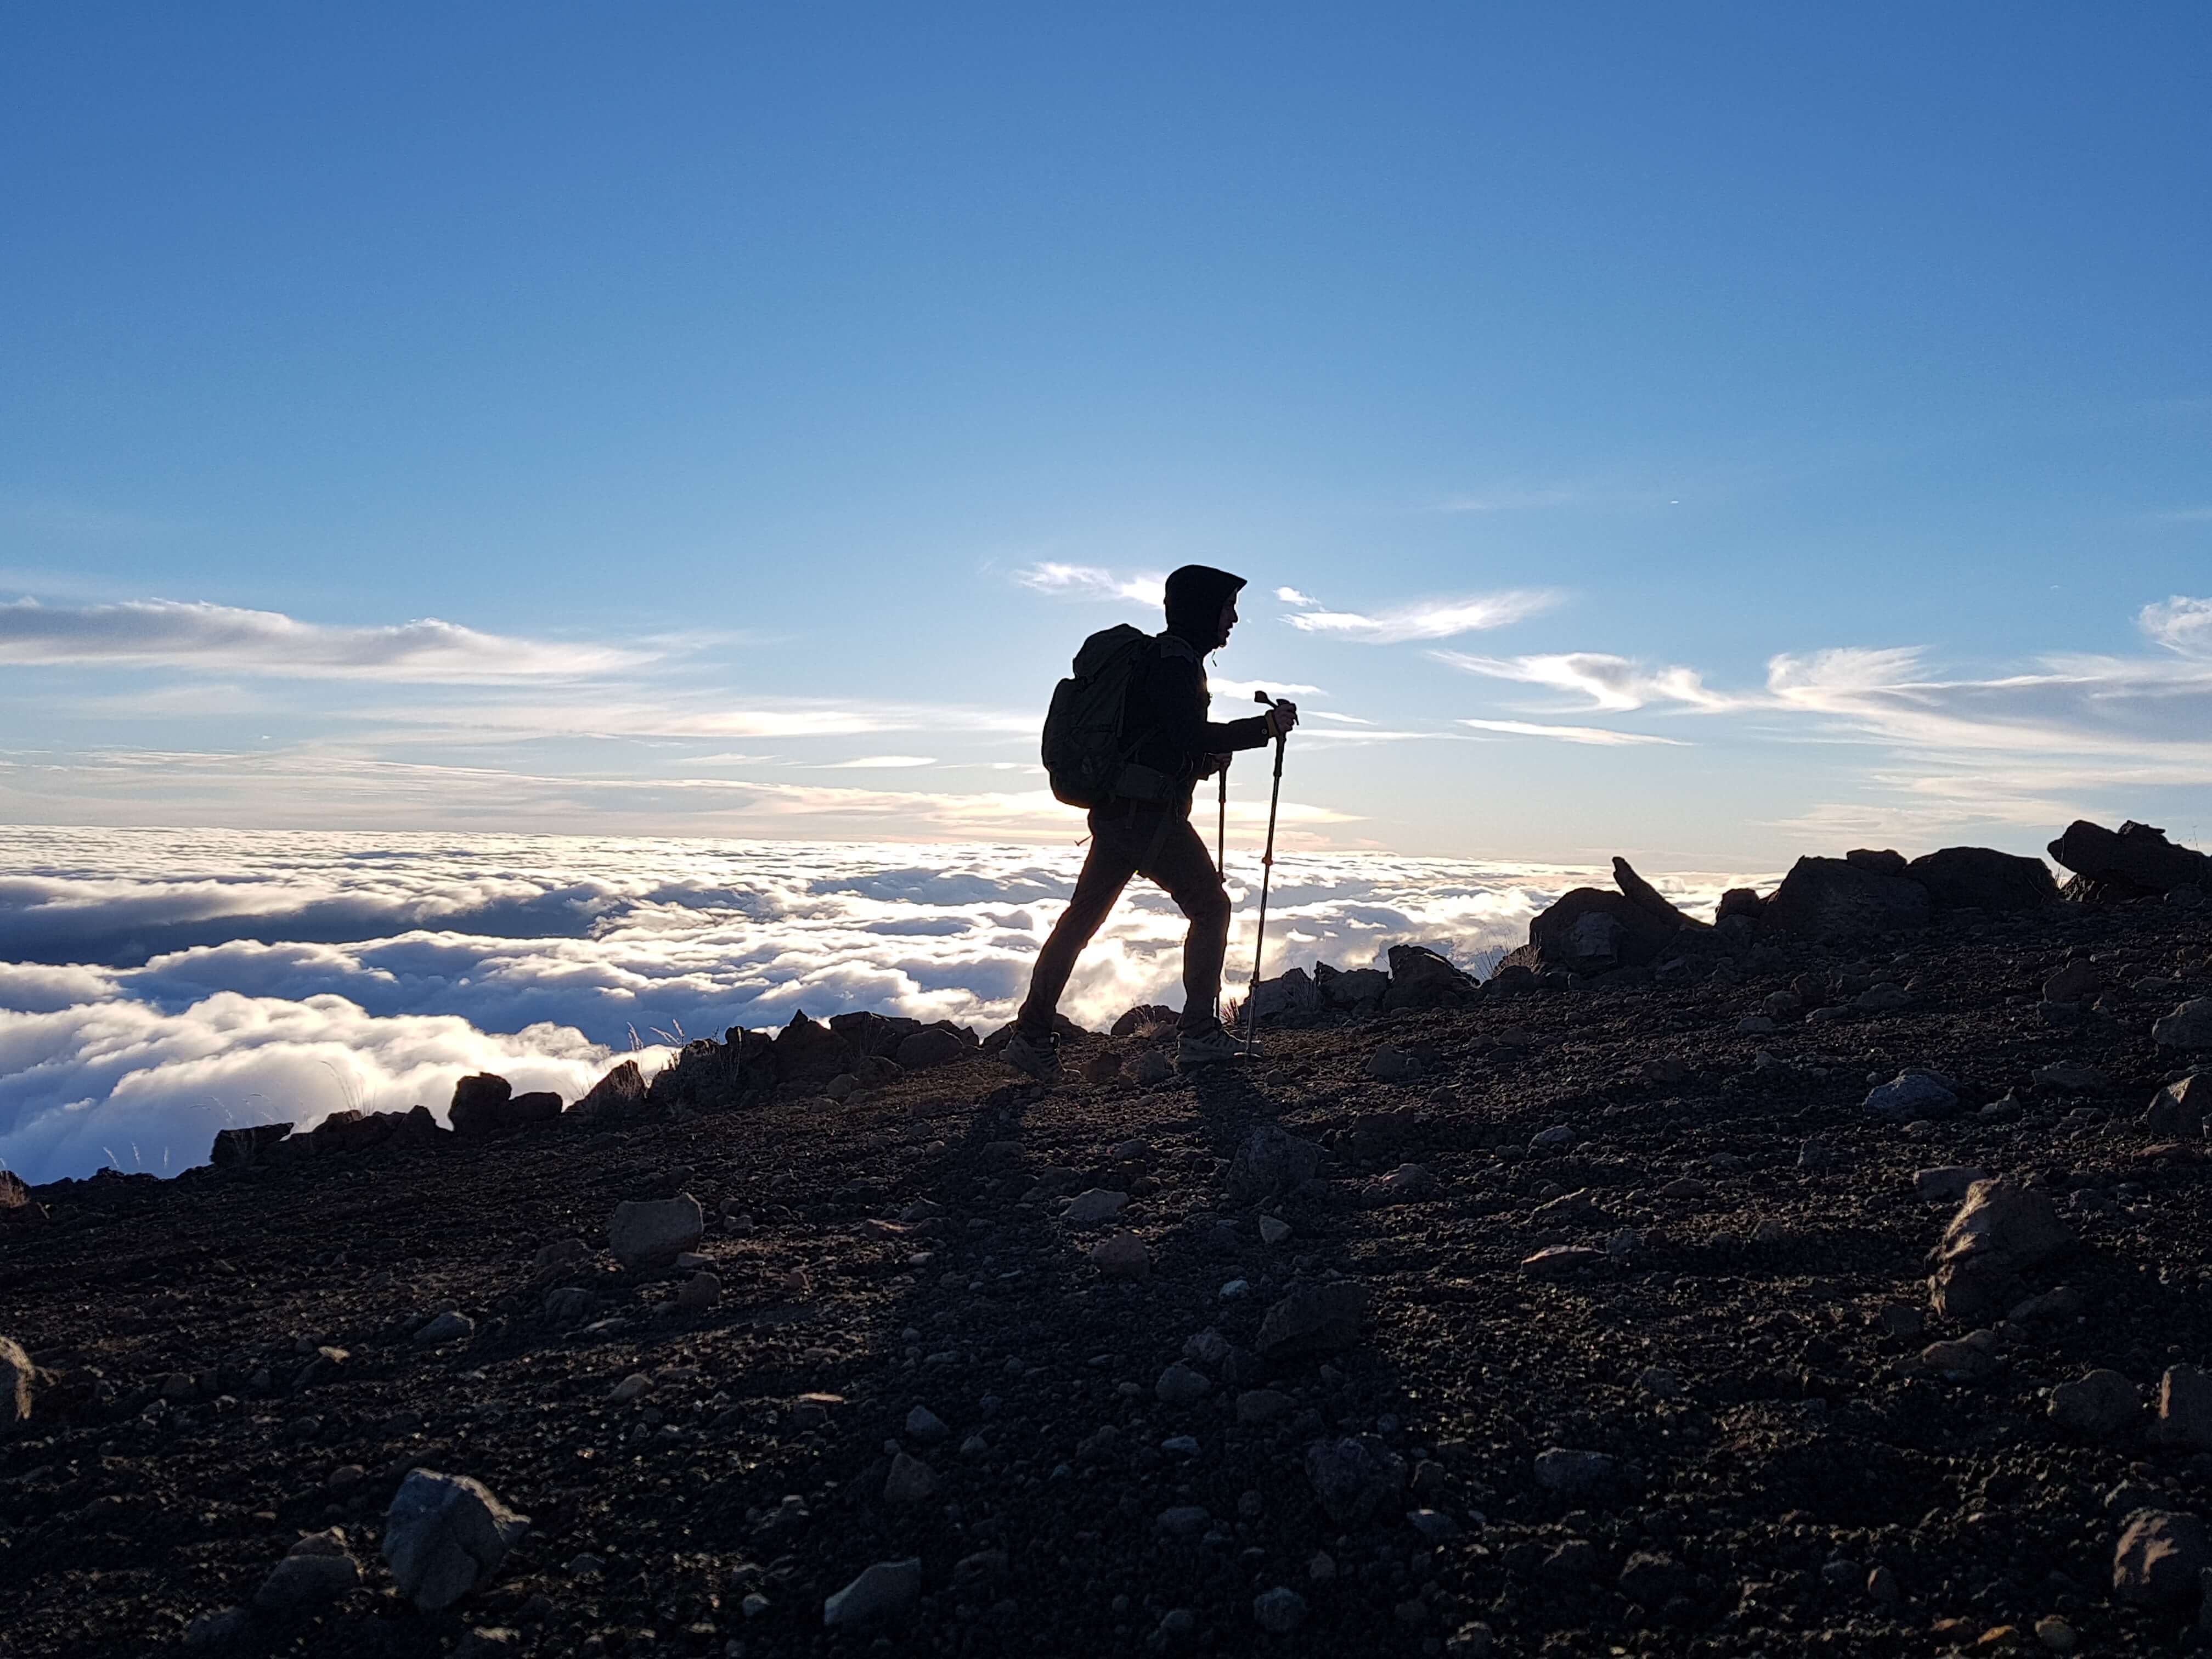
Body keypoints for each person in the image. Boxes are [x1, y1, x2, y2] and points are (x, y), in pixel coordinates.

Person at [1004, 564, 1297, 1082]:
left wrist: (1205, 760)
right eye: (1227, 607)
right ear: (1202, 610)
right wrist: (1263, 729)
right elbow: (1188, 735)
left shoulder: (1161, 661)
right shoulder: (1174, 664)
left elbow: (1164, 743)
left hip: (1120, 816)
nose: (1233, 618)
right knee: (1210, 906)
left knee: (1080, 922)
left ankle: (1030, 1035)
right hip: (1148, 821)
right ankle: (1200, 1034)